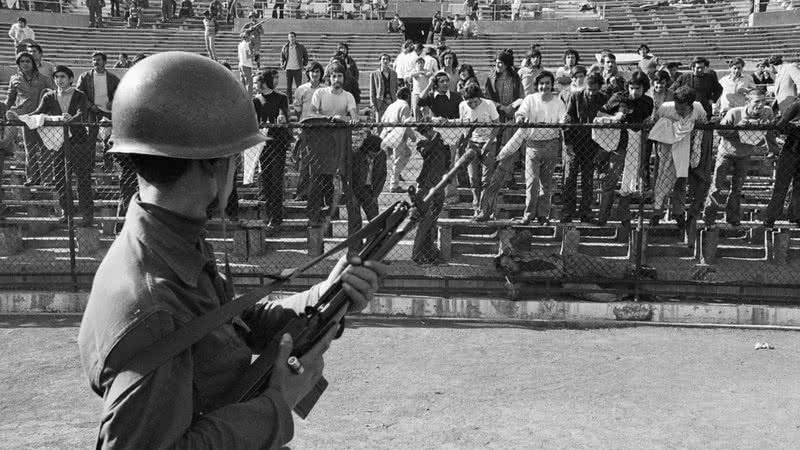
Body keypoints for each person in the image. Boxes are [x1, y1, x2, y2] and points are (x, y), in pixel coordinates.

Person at [77, 52, 386, 448]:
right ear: (212, 167)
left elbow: (231, 324)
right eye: (234, 158)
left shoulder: (169, 243)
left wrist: (328, 295)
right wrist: (278, 403)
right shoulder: (153, 300)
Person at [25, 65, 93, 226]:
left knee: (83, 178)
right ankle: (67, 212)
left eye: (63, 77)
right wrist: (21, 116)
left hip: (78, 140)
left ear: (70, 79)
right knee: (61, 179)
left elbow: (82, 112)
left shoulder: (79, 95)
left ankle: (86, 214)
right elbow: (38, 112)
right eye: (57, 77)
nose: (59, 80)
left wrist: (72, 117)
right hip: (58, 142)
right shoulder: (49, 96)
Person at [703, 88, 776, 227]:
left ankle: (732, 217)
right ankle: (709, 217)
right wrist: (738, 129)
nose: (760, 105)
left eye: (763, 102)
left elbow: (770, 132)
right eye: (757, 102)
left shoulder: (767, 112)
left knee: (737, 188)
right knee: (717, 186)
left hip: (745, 155)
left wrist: (772, 149)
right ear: (748, 102)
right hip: (726, 153)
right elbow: (720, 131)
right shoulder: (734, 113)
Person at [503, 70, 566, 224]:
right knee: (532, 182)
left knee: (546, 183)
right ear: (537, 85)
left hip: (551, 144)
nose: (544, 86)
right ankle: (529, 214)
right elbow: (521, 113)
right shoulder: (530, 99)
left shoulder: (558, 101)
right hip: (533, 145)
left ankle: (543, 215)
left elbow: (563, 117)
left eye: (547, 83)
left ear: (552, 85)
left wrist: (564, 120)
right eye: (541, 83)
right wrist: (520, 118)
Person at [595, 71, 654, 228]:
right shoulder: (619, 97)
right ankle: (603, 216)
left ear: (645, 88)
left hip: (637, 140)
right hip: (618, 142)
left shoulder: (648, 102)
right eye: (632, 87)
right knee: (612, 178)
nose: (634, 91)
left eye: (638, 88)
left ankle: (624, 215)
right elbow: (600, 113)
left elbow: (646, 119)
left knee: (629, 180)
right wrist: (614, 118)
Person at [649, 86, 707, 227]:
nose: (679, 111)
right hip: (666, 148)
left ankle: (678, 212)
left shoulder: (698, 109)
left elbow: (703, 123)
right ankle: (657, 212)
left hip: (685, 149)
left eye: (682, 109)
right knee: (661, 178)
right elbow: (656, 122)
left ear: (690, 105)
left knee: (680, 181)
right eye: (677, 107)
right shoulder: (665, 108)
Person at [309, 63, 358, 225]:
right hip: (321, 141)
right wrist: (327, 119)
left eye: (340, 76)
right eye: (334, 76)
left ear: (344, 78)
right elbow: (311, 112)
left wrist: (340, 118)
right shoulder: (320, 93)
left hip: (340, 141)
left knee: (341, 176)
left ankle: (336, 212)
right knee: (319, 178)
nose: (337, 79)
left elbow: (354, 118)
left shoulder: (348, 96)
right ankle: (316, 216)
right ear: (328, 77)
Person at [562, 71, 608, 223]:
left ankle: (585, 213)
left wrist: (602, 146)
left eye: (595, 90)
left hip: (593, 144)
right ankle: (567, 212)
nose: (591, 92)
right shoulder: (575, 96)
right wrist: (568, 143)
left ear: (600, 88)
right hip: (575, 143)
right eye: (589, 89)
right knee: (570, 179)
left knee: (588, 180)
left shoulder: (603, 99)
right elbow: (568, 118)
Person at [5, 51, 52, 186]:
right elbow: (10, 99)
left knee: (45, 149)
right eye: (22, 62)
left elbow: (53, 93)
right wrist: (4, 109)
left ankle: (47, 179)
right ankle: (32, 178)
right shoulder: (14, 79)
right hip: (25, 118)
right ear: (18, 64)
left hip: (42, 117)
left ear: (33, 63)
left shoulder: (44, 78)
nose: (25, 64)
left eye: (27, 61)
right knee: (29, 148)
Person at [253, 70, 291, 230]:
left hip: (277, 143)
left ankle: (277, 216)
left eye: (258, 82)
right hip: (263, 144)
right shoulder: (256, 100)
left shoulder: (281, 98)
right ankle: (270, 214)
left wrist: (282, 117)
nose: (256, 85)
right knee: (267, 180)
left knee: (276, 179)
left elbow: (283, 113)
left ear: (264, 82)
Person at [459, 85, 499, 219]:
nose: (472, 105)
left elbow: (497, 124)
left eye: (475, 102)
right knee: (473, 177)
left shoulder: (489, 105)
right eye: (469, 102)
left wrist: (489, 142)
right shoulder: (462, 106)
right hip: (472, 143)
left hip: (489, 143)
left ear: (480, 98)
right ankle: (476, 206)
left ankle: (485, 209)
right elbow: (464, 125)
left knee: (486, 178)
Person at [412, 123, 450, 265]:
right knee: (424, 221)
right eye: (422, 132)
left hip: (438, 184)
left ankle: (429, 253)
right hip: (425, 186)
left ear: (431, 129)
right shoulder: (424, 143)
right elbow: (425, 151)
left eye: (426, 131)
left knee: (432, 222)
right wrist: (436, 137)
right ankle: (417, 254)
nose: (424, 134)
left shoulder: (441, 142)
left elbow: (447, 160)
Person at [290, 61, 325, 202]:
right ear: (308, 73)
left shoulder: (326, 89)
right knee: (305, 161)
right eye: (312, 71)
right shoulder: (301, 89)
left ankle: (320, 193)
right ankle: (302, 192)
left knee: (321, 162)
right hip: (306, 127)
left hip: (322, 127)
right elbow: (297, 110)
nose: (315, 74)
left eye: (317, 71)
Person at [765, 98, 800, 228]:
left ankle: (796, 216)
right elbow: (780, 126)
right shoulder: (796, 106)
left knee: (799, 186)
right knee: (781, 185)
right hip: (791, 149)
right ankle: (771, 217)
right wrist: (795, 126)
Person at [380, 86, 416, 193]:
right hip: (397, 134)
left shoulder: (392, 105)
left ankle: (396, 175)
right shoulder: (405, 106)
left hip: (387, 132)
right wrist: (412, 136)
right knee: (401, 156)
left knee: (402, 154)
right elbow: (406, 124)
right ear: (408, 96)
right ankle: (394, 183)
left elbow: (382, 119)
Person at [351, 128, 386, 221]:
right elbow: (349, 175)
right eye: (372, 153)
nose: (374, 155)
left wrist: (375, 195)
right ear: (367, 150)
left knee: (374, 217)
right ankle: (355, 235)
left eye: (376, 153)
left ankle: (374, 235)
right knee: (355, 218)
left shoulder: (381, 155)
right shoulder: (356, 155)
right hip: (354, 188)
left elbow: (382, 176)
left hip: (370, 189)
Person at [369, 53, 398, 122]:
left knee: (392, 121)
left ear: (389, 61)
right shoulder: (374, 74)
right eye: (383, 59)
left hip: (391, 101)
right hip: (380, 102)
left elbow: (396, 88)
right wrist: (372, 103)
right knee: (379, 123)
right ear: (380, 61)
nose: (385, 61)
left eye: (387, 59)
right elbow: (372, 90)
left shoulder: (394, 73)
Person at [281, 32, 309, 103]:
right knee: (288, 87)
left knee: (299, 87)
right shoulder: (285, 47)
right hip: (288, 69)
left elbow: (305, 55)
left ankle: (298, 100)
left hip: (297, 69)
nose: (291, 38)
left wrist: (304, 64)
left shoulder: (300, 47)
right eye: (290, 37)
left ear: (295, 38)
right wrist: (282, 64)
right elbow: (282, 57)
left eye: (293, 37)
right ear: (288, 38)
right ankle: (289, 101)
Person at [238, 32, 255, 96]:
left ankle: (242, 98)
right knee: (249, 83)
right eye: (250, 36)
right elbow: (248, 56)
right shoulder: (246, 45)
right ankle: (249, 100)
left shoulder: (240, 44)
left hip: (241, 64)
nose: (251, 37)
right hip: (246, 65)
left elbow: (239, 56)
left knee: (242, 83)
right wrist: (253, 54)